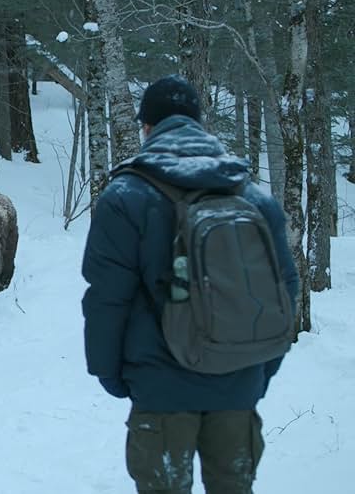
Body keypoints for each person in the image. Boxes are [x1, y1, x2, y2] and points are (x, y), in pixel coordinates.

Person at [81, 76, 298, 494]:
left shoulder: (125, 196)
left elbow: (107, 298)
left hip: (160, 389)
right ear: (199, 123)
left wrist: (111, 373)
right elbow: (284, 288)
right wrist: (259, 367)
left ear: (146, 127)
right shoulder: (253, 196)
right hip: (238, 383)